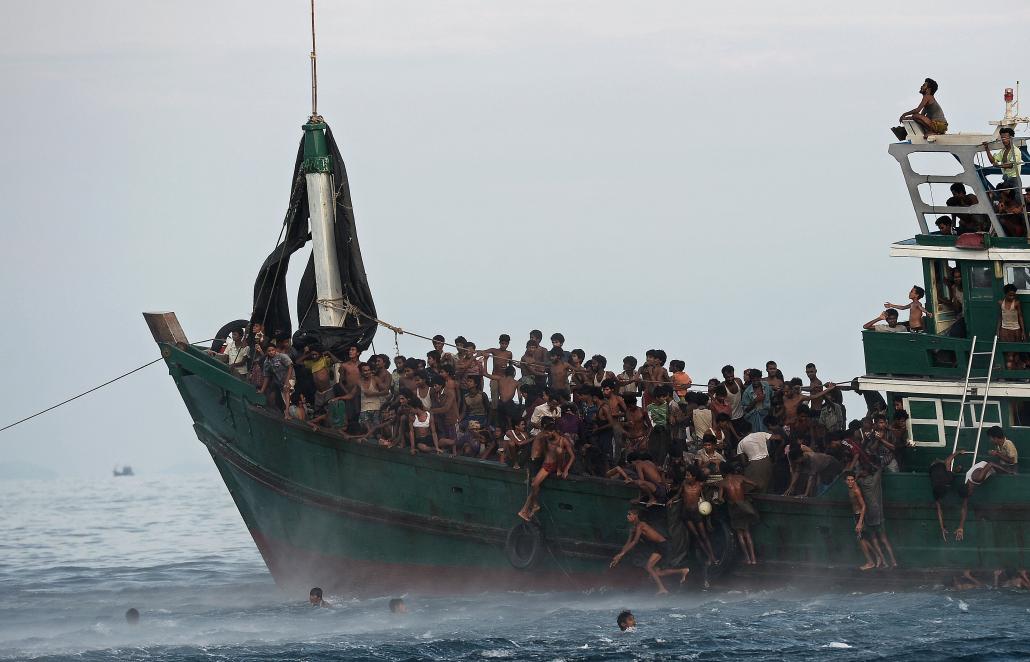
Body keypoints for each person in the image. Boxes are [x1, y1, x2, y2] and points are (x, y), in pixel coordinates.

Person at [609, 508, 690, 595]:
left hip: (663, 545)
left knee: (649, 567)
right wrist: (619, 555)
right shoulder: (634, 528)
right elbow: (628, 543)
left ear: (635, 516)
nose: (627, 516)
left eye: (630, 514)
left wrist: (621, 554)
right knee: (656, 572)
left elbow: (635, 542)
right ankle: (682, 571)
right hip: (658, 546)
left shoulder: (641, 525)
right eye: (627, 514)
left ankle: (662, 589)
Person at [517, 417, 574, 521]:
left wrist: (564, 470)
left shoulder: (562, 440)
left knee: (560, 450)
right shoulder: (546, 438)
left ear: (553, 431)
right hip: (545, 466)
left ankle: (530, 507)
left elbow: (572, 456)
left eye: (548, 433)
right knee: (534, 485)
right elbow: (541, 450)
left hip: (554, 466)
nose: (546, 435)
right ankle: (529, 507)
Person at [955, 452, 1016, 542]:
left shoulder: (977, 478)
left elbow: (990, 464)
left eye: (970, 494)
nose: (971, 495)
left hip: (994, 466)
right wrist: (960, 527)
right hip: (988, 469)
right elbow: (964, 507)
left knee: (1012, 467)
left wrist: (1008, 472)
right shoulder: (966, 486)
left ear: (969, 490)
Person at [718, 465, 759, 565]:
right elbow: (755, 484)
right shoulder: (740, 478)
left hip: (734, 508)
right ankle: (753, 558)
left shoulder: (723, 483)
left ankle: (747, 559)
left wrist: (725, 499)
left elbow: (720, 499)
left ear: (723, 472)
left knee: (740, 534)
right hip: (744, 506)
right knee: (747, 532)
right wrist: (747, 493)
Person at [845, 473, 880, 571]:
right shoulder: (850, 489)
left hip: (860, 516)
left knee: (861, 539)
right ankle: (877, 555)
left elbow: (864, 506)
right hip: (856, 516)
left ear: (854, 480)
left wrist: (860, 522)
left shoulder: (856, 491)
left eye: (852, 480)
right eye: (848, 480)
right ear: (845, 481)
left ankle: (870, 562)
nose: (850, 481)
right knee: (862, 539)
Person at [983, 127, 1023, 194]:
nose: (1003, 140)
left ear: (1011, 138)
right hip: (1006, 179)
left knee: (1017, 199)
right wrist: (987, 148)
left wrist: (998, 165)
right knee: (1003, 196)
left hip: (1014, 179)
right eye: (1002, 138)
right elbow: (992, 161)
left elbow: (1010, 165)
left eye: (1005, 138)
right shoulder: (1003, 151)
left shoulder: (1016, 151)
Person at [998, 284, 1026, 369]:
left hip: (1015, 330)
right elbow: (1000, 317)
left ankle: (1017, 373)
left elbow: (1020, 317)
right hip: (1005, 330)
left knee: (1016, 353)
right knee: (1008, 354)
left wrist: (1023, 331)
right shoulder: (1000, 303)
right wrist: (998, 331)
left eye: (1014, 295)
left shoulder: (1017, 303)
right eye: (1010, 295)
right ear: (1005, 294)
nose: (1012, 297)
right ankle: (1009, 373)